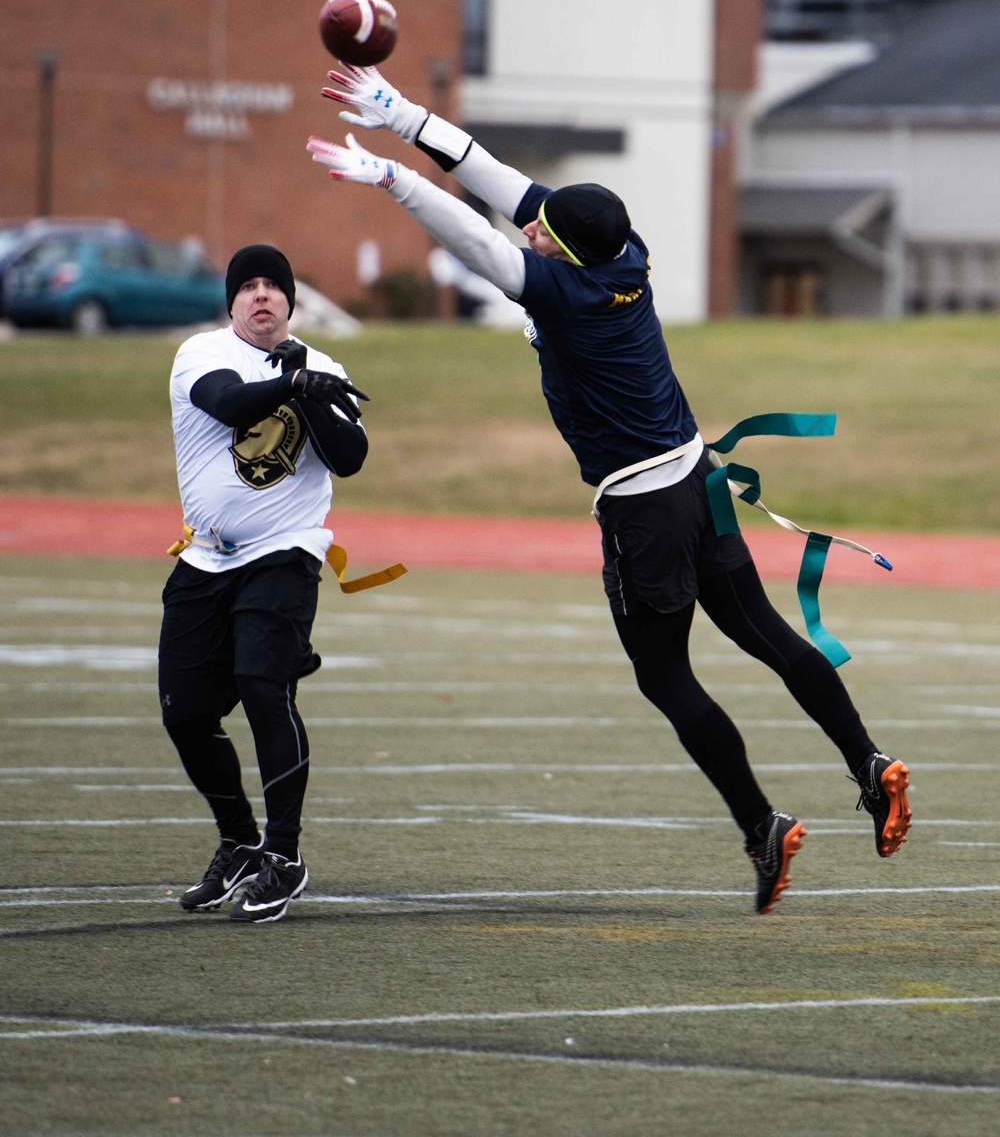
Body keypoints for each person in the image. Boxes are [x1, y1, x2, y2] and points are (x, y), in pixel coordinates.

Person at [306, 66, 912, 915]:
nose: (534, 236)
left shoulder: (566, 289)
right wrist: (407, 119)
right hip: (697, 479)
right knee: (767, 633)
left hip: (645, 509)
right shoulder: (620, 254)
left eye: (545, 234)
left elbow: (481, 247)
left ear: (566, 250)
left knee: (665, 678)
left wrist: (395, 178)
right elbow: (505, 187)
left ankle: (760, 825)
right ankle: (869, 762)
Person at [159, 244, 369, 923]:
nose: (261, 296)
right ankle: (239, 842)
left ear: (290, 299)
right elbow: (227, 404)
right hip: (206, 558)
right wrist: (293, 387)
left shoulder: (322, 365)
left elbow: (352, 457)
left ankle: (283, 855)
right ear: (231, 301)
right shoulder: (201, 352)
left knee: (262, 685)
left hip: (286, 551)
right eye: (247, 285)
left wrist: (309, 388)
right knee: (185, 713)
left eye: (273, 285)